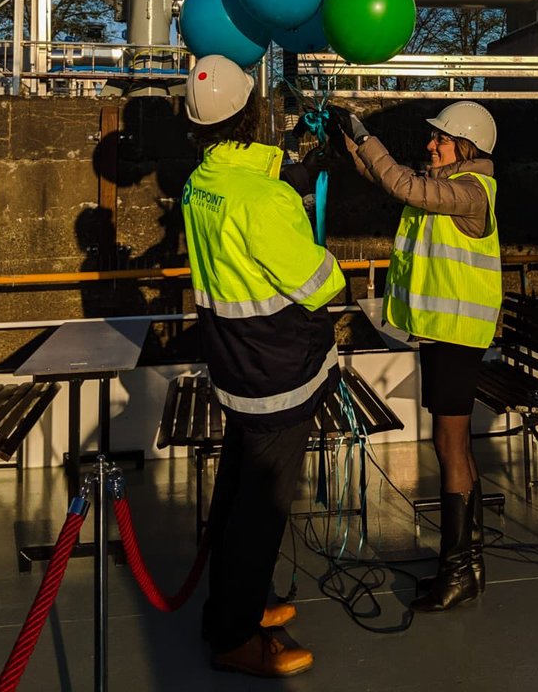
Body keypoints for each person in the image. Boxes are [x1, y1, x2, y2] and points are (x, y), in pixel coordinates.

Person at [182, 54, 346, 677]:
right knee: (261, 508)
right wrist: (302, 211)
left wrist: (300, 166)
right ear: (252, 112)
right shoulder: (263, 199)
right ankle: (233, 638)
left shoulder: (201, 182)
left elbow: (247, 180)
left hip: (234, 365)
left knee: (235, 493)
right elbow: (318, 283)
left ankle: (234, 606)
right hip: (277, 371)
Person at [329, 100, 501, 613]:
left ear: (466, 146)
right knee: (457, 446)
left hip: (457, 337)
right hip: (446, 335)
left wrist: (367, 136)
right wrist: (350, 142)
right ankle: (469, 564)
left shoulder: (470, 192)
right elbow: (385, 176)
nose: (431, 145)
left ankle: (457, 572)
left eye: (441, 139)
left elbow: (402, 185)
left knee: (449, 448)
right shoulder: (450, 187)